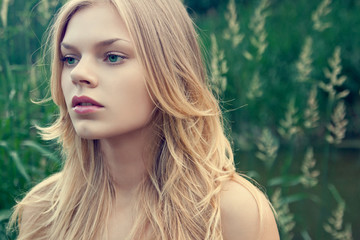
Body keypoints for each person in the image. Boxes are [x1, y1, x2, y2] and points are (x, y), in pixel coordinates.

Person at [9, 0, 279, 239]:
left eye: (112, 57)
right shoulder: (43, 211)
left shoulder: (233, 214)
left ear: (170, 70)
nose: (78, 74)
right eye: (70, 58)